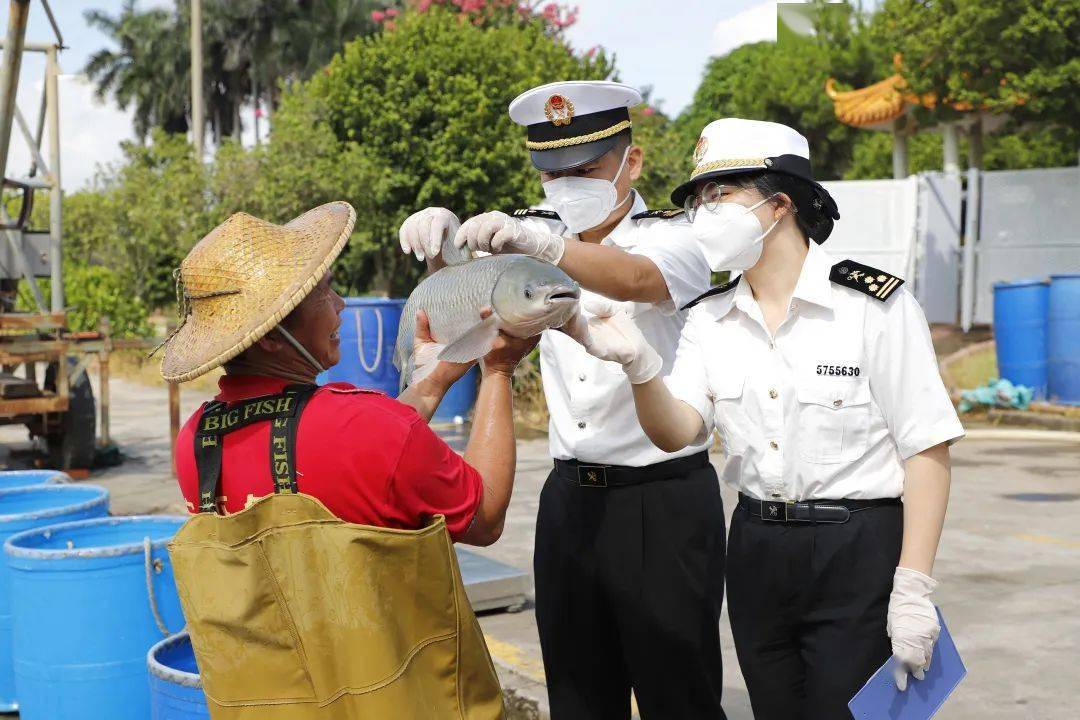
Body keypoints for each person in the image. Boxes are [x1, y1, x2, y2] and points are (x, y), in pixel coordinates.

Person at [574, 118, 965, 719]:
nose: (703, 212)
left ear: (778, 203)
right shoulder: (710, 318)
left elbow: (927, 450)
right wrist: (640, 367)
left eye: (720, 193)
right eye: (697, 199)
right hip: (757, 548)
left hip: (856, 547)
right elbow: (678, 432)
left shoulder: (871, 306)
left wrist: (912, 586)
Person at [399, 81, 725, 720]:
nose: (566, 184)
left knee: (677, 694)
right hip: (571, 496)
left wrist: (545, 250)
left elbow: (636, 279)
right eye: (551, 172)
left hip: (662, 499)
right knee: (577, 693)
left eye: (585, 168)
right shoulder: (531, 230)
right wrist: (441, 254)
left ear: (630, 162)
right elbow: (471, 308)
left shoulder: (677, 237)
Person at [159, 202, 536, 719]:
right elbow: (485, 514)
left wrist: (441, 376)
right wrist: (497, 373)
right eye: (324, 294)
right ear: (272, 335)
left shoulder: (195, 443)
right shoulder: (367, 428)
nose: (340, 306)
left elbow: (351, 451)